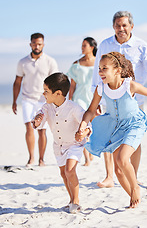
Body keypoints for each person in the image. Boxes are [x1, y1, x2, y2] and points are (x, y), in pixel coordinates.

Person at [76, 52, 147, 208]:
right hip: (115, 127)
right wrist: (83, 124)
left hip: (134, 124)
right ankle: (133, 199)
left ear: (117, 70)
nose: (100, 72)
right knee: (118, 171)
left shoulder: (129, 85)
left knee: (122, 159)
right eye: (99, 68)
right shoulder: (101, 88)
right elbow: (90, 110)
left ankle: (135, 188)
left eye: (104, 68)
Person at [91, 11, 147, 188]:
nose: (121, 28)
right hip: (109, 98)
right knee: (109, 135)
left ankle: (134, 174)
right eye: (117, 25)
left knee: (133, 138)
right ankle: (109, 176)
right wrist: (96, 99)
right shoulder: (105, 44)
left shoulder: (141, 46)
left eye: (124, 25)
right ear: (113, 27)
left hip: (134, 100)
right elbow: (97, 71)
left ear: (131, 26)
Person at [32, 73, 92, 214]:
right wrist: (37, 121)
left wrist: (84, 132)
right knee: (63, 173)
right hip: (58, 145)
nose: (43, 94)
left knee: (70, 170)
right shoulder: (46, 107)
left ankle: (76, 201)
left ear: (58, 93)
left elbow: (87, 124)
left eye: (46, 91)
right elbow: (39, 121)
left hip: (74, 145)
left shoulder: (74, 108)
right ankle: (71, 199)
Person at [12, 33, 59, 167]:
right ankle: (31, 158)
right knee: (29, 126)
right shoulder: (23, 62)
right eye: (34, 44)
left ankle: (41, 159)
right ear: (30, 44)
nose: (37, 46)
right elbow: (17, 82)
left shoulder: (50, 61)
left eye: (39, 44)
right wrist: (14, 101)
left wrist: (55, 101)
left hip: (43, 100)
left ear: (43, 44)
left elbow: (55, 82)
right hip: (28, 98)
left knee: (42, 130)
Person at [67, 37, 98, 166]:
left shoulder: (99, 62)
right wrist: (69, 98)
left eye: (85, 45)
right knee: (82, 124)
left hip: (94, 96)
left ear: (92, 47)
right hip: (79, 96)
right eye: (82, 45)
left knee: (94, 125)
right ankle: (86, 158)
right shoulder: (76, 64)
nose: (82, 48)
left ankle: (91, 151)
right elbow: (72, 84)